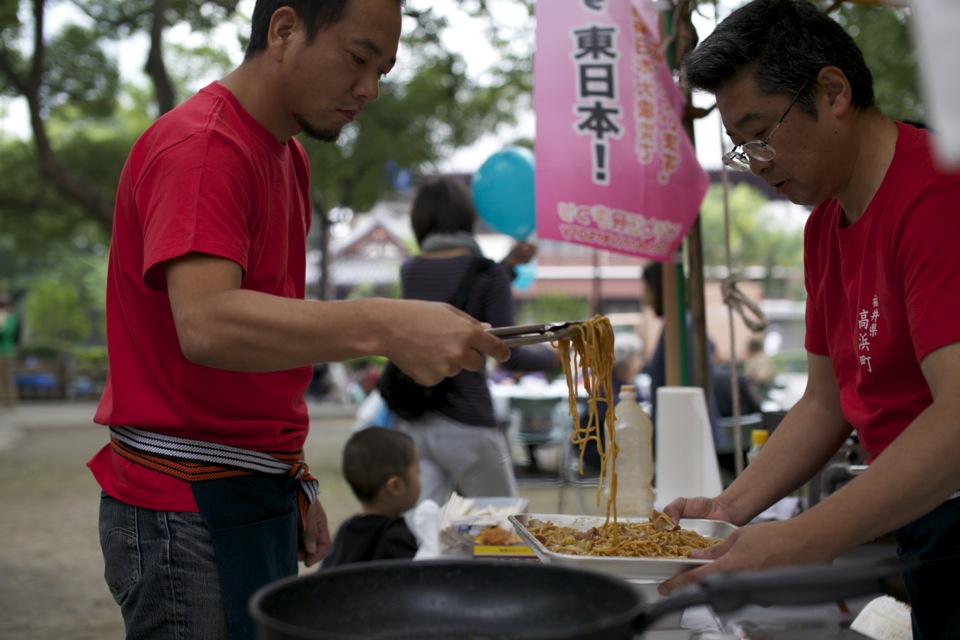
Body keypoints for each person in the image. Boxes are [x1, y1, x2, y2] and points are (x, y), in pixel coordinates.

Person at [86, 2, 512, 639]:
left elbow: (266, 338)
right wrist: (382, 325)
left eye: (382, 71)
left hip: (252, 485)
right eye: (358, 58)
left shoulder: (286, 156)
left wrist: (291, 469)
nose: (368, 89)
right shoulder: (204, 147)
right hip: (184, 502)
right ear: (284, 30)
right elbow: (207, 323)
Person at [658, 2, 960, 638]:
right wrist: (728, 507)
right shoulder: (825, 226)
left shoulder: (937, 194)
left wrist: (800, 539)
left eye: (760, 134)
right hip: (923, 520)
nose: (758, 163)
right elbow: (826, 402)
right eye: (741, 149)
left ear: (832, 92)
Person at [397, 176, 559, 507]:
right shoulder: (486, 272)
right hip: (468, 421)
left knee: (424, 526)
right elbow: (509, 354)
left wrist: (506, 267)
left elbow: (453, 300)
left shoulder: (411, 270)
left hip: (416, 418)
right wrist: (558, 357)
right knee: (502, 522)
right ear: (466, 217)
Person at [641, 261, 723, 447]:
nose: (644, 296)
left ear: (659, 288)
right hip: (684, 436)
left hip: (686, 439)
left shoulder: (682, 328)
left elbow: (690, 386)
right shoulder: (679, 326)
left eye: (646, 288)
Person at [320, 427, 420, 568]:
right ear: (395, 486)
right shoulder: (396, 538)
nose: (420, 479)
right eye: (418, 471)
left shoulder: (347, 529)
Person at [575, 332, 644, 473]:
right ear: (623, 362)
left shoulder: (626, 384)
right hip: (598, 449)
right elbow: (617, 417)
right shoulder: (605, 387)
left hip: (615, 444)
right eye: (636, 359)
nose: (640, 365)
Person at [743, 335, 777, 402]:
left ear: (751, 348)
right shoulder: (764, 358)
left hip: (760, 394)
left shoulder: (757, 359)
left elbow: (762, 375)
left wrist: (750, 378)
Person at [0, 292, 19, 408]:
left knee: (7, 376)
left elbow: (7, 332)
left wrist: (2, 322)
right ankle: (2, 400)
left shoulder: (11, 318)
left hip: (6, 351)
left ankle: (10, 401)